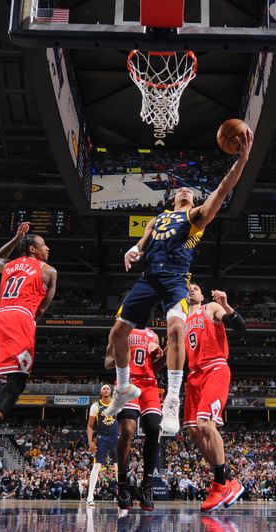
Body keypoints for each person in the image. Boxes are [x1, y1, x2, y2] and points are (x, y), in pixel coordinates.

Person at [105, 128, 254, 435]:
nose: (185, 191)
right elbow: (143, 241)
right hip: (149, 277)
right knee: (117, 333)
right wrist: (133, 250)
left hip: (176, 279)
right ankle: (122, 387)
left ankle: (171, 397)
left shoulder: (195, 217)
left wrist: (241, 160)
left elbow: (223, 190)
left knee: (175, 329)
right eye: (180, 190)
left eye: (190, 191)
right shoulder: (158, 219)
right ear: (173, 197)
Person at [0, 222, 57, 483]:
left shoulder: (9, 265)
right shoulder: (48, 270)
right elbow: (43, 308)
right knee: (17, 381)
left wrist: (15, 238)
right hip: (20, 318)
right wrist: (30, 320)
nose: (47, 249)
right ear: (34, 249)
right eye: (43, 245)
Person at [183, 285, 247, 512]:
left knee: (205, 424)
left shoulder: (210, 308)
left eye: (196, 288)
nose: (192, 290)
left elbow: (240, 327)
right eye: (188, 289)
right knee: (193, 431)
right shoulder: (182, 322)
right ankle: (228, 479)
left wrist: (226, 305)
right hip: (193, 375)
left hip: (214, 368)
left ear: (202, 295)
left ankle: (220, 483)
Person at [104, 328, 164, 511]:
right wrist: (122, 354)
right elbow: (107, 363)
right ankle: (122, 484)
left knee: (154, 429)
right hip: (127, 381)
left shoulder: (153, 335)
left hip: (150, 384)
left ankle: (147, 486)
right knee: (128, 430)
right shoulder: (119, 330)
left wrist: (162, 352)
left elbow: (157, 367)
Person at [85, 385, 118, 507]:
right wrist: (90, 441)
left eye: (108, 388)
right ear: (100, 391)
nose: (106, 390)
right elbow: (90, 426)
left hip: (115, 437)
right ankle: (90, 497)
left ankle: (122, 496)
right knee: (96, 466)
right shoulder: (95, 406)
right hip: (102, 438)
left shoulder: (116, 404)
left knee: (118, 467)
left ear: (111, 391)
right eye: (103, 388)